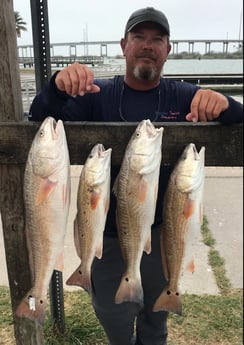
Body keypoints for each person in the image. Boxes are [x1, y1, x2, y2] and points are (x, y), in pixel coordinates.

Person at [29, 7, 243, 345]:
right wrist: (57, 86)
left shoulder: (183, 95)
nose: (148, 45)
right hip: (107, 237)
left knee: (155, 325)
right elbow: (39, 119)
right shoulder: (97, 96)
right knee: (113, 320)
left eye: (157, 39)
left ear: (167, 50)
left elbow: (238, 118)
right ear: (123, 45)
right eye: (138, 37)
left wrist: (224, 104)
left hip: (162, 235)